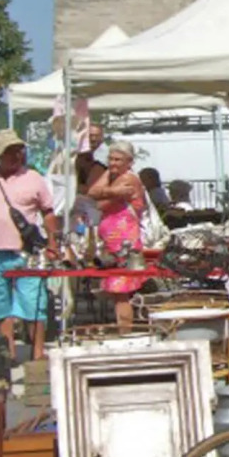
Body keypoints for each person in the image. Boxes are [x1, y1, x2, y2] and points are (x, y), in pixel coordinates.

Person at [0, 129, 58, 362]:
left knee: (34, 303)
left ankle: (37, 351)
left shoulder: (34, 178)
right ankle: (8, 351)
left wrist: (52, 242)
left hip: (28, 252)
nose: (15, 156)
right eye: (9, 152)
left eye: (18, 151)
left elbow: (48, 212)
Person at [88, 140, 147, 333]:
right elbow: (94, 192)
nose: (113, 163)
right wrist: (108, 176)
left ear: (129, 162)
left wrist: (107, 190)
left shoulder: (128, 179)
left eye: (118, 160)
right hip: (112, 242)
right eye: (110, 159)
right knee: (117, 292)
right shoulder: (114, 177)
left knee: (122, 291)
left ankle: (125, 332)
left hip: (124, 243)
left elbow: (99, 202)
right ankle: (123, 329)